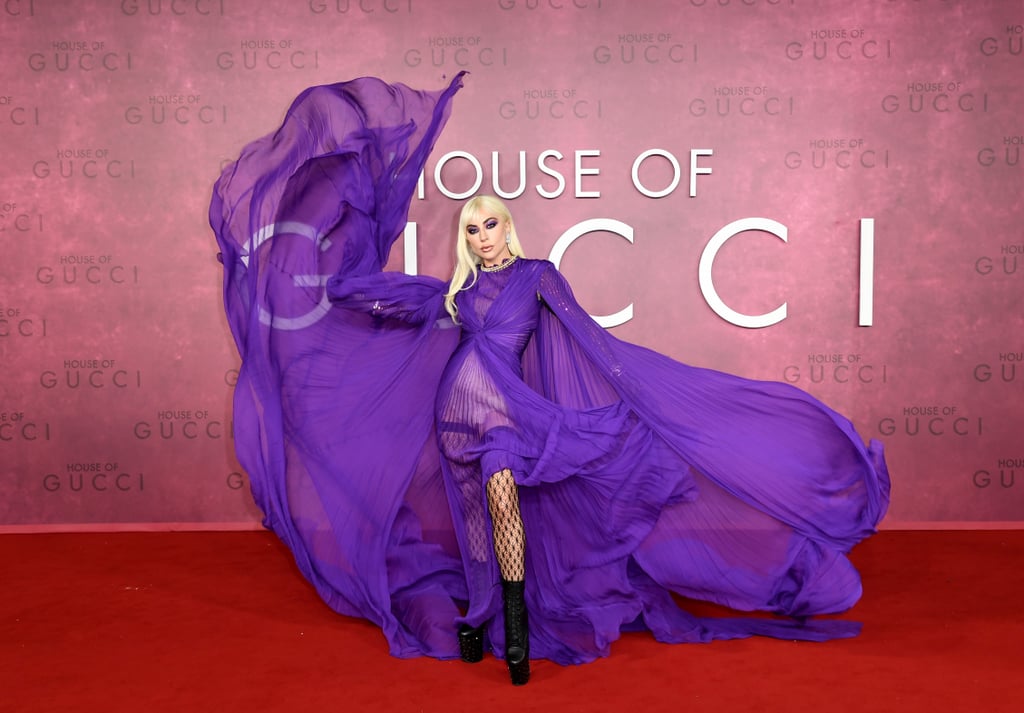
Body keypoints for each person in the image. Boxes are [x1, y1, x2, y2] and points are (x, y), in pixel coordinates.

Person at [210, 73, 890, 687]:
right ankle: (482, 615)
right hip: (457, 414)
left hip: (506, 413)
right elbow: (390, 301)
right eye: (471, 229)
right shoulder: (457, 293)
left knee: (504, 504)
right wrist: (323, 279)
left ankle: (514, 632)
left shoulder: (537, 276)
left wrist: (636, 395)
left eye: (490, 225)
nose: (480, 237)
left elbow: (588, 340)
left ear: (509, 226)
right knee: (477, 519)